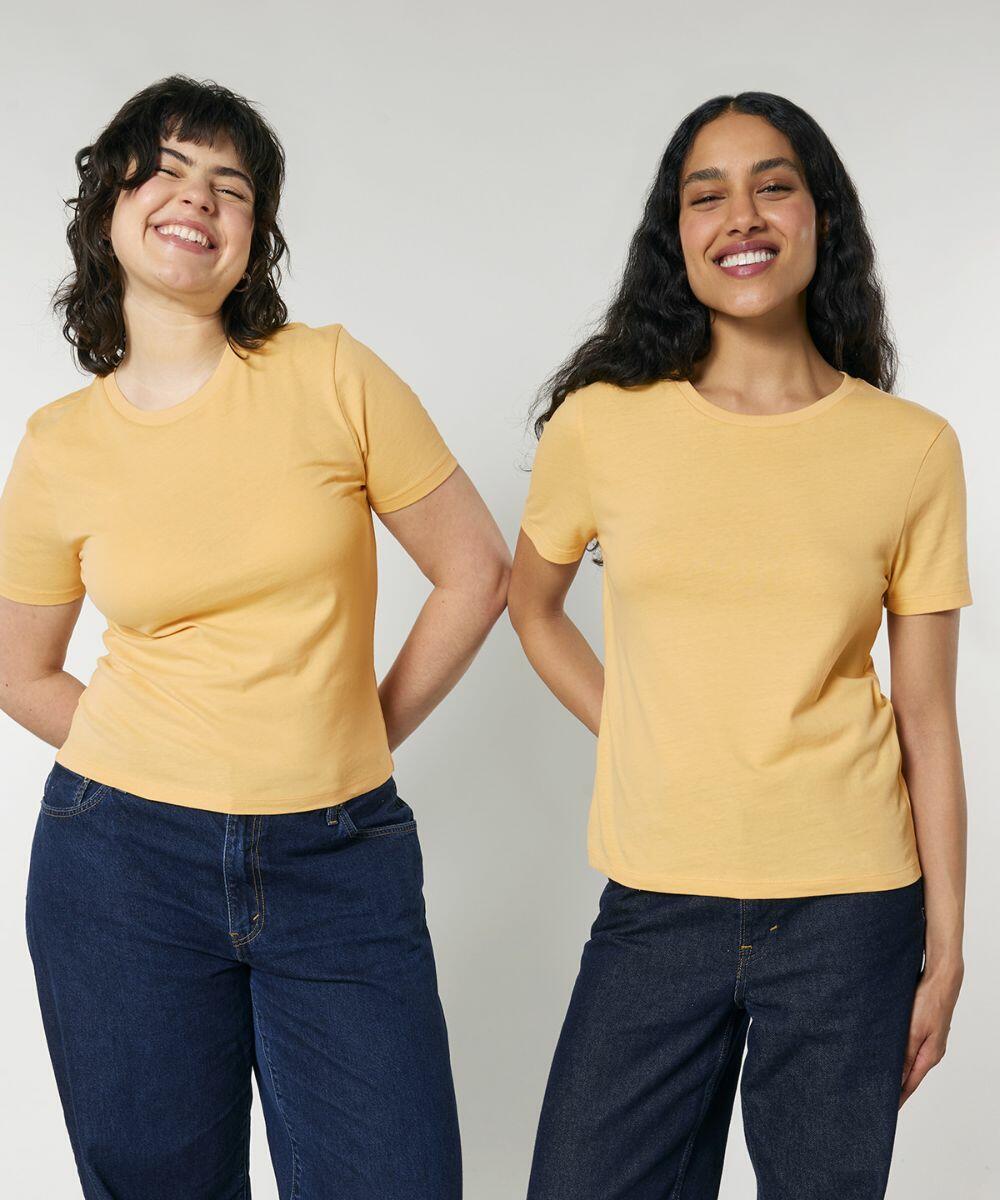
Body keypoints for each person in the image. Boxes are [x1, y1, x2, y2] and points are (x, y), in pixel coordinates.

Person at [0, 74, 510, 1199]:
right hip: (120, 868)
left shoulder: (331, 373)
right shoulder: (57, 445)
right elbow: (19, 670)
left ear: (253, 239)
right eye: (169, 171)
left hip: (342, 859)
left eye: (231, 187)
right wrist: (161, 755)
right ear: (108, 208)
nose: (198, 199)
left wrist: (353, 729)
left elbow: (475, 569)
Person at [508, 91, 972, 1200]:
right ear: (676, 236)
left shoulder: (908, 450)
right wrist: (642, 723)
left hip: (850, 911)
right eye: (703, 194)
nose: (740, 215)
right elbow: (531, 606)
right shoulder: (604, 425)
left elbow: (927, 718)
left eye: (772, 184)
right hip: (657, 898)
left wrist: (946, 949)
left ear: (821, 216)